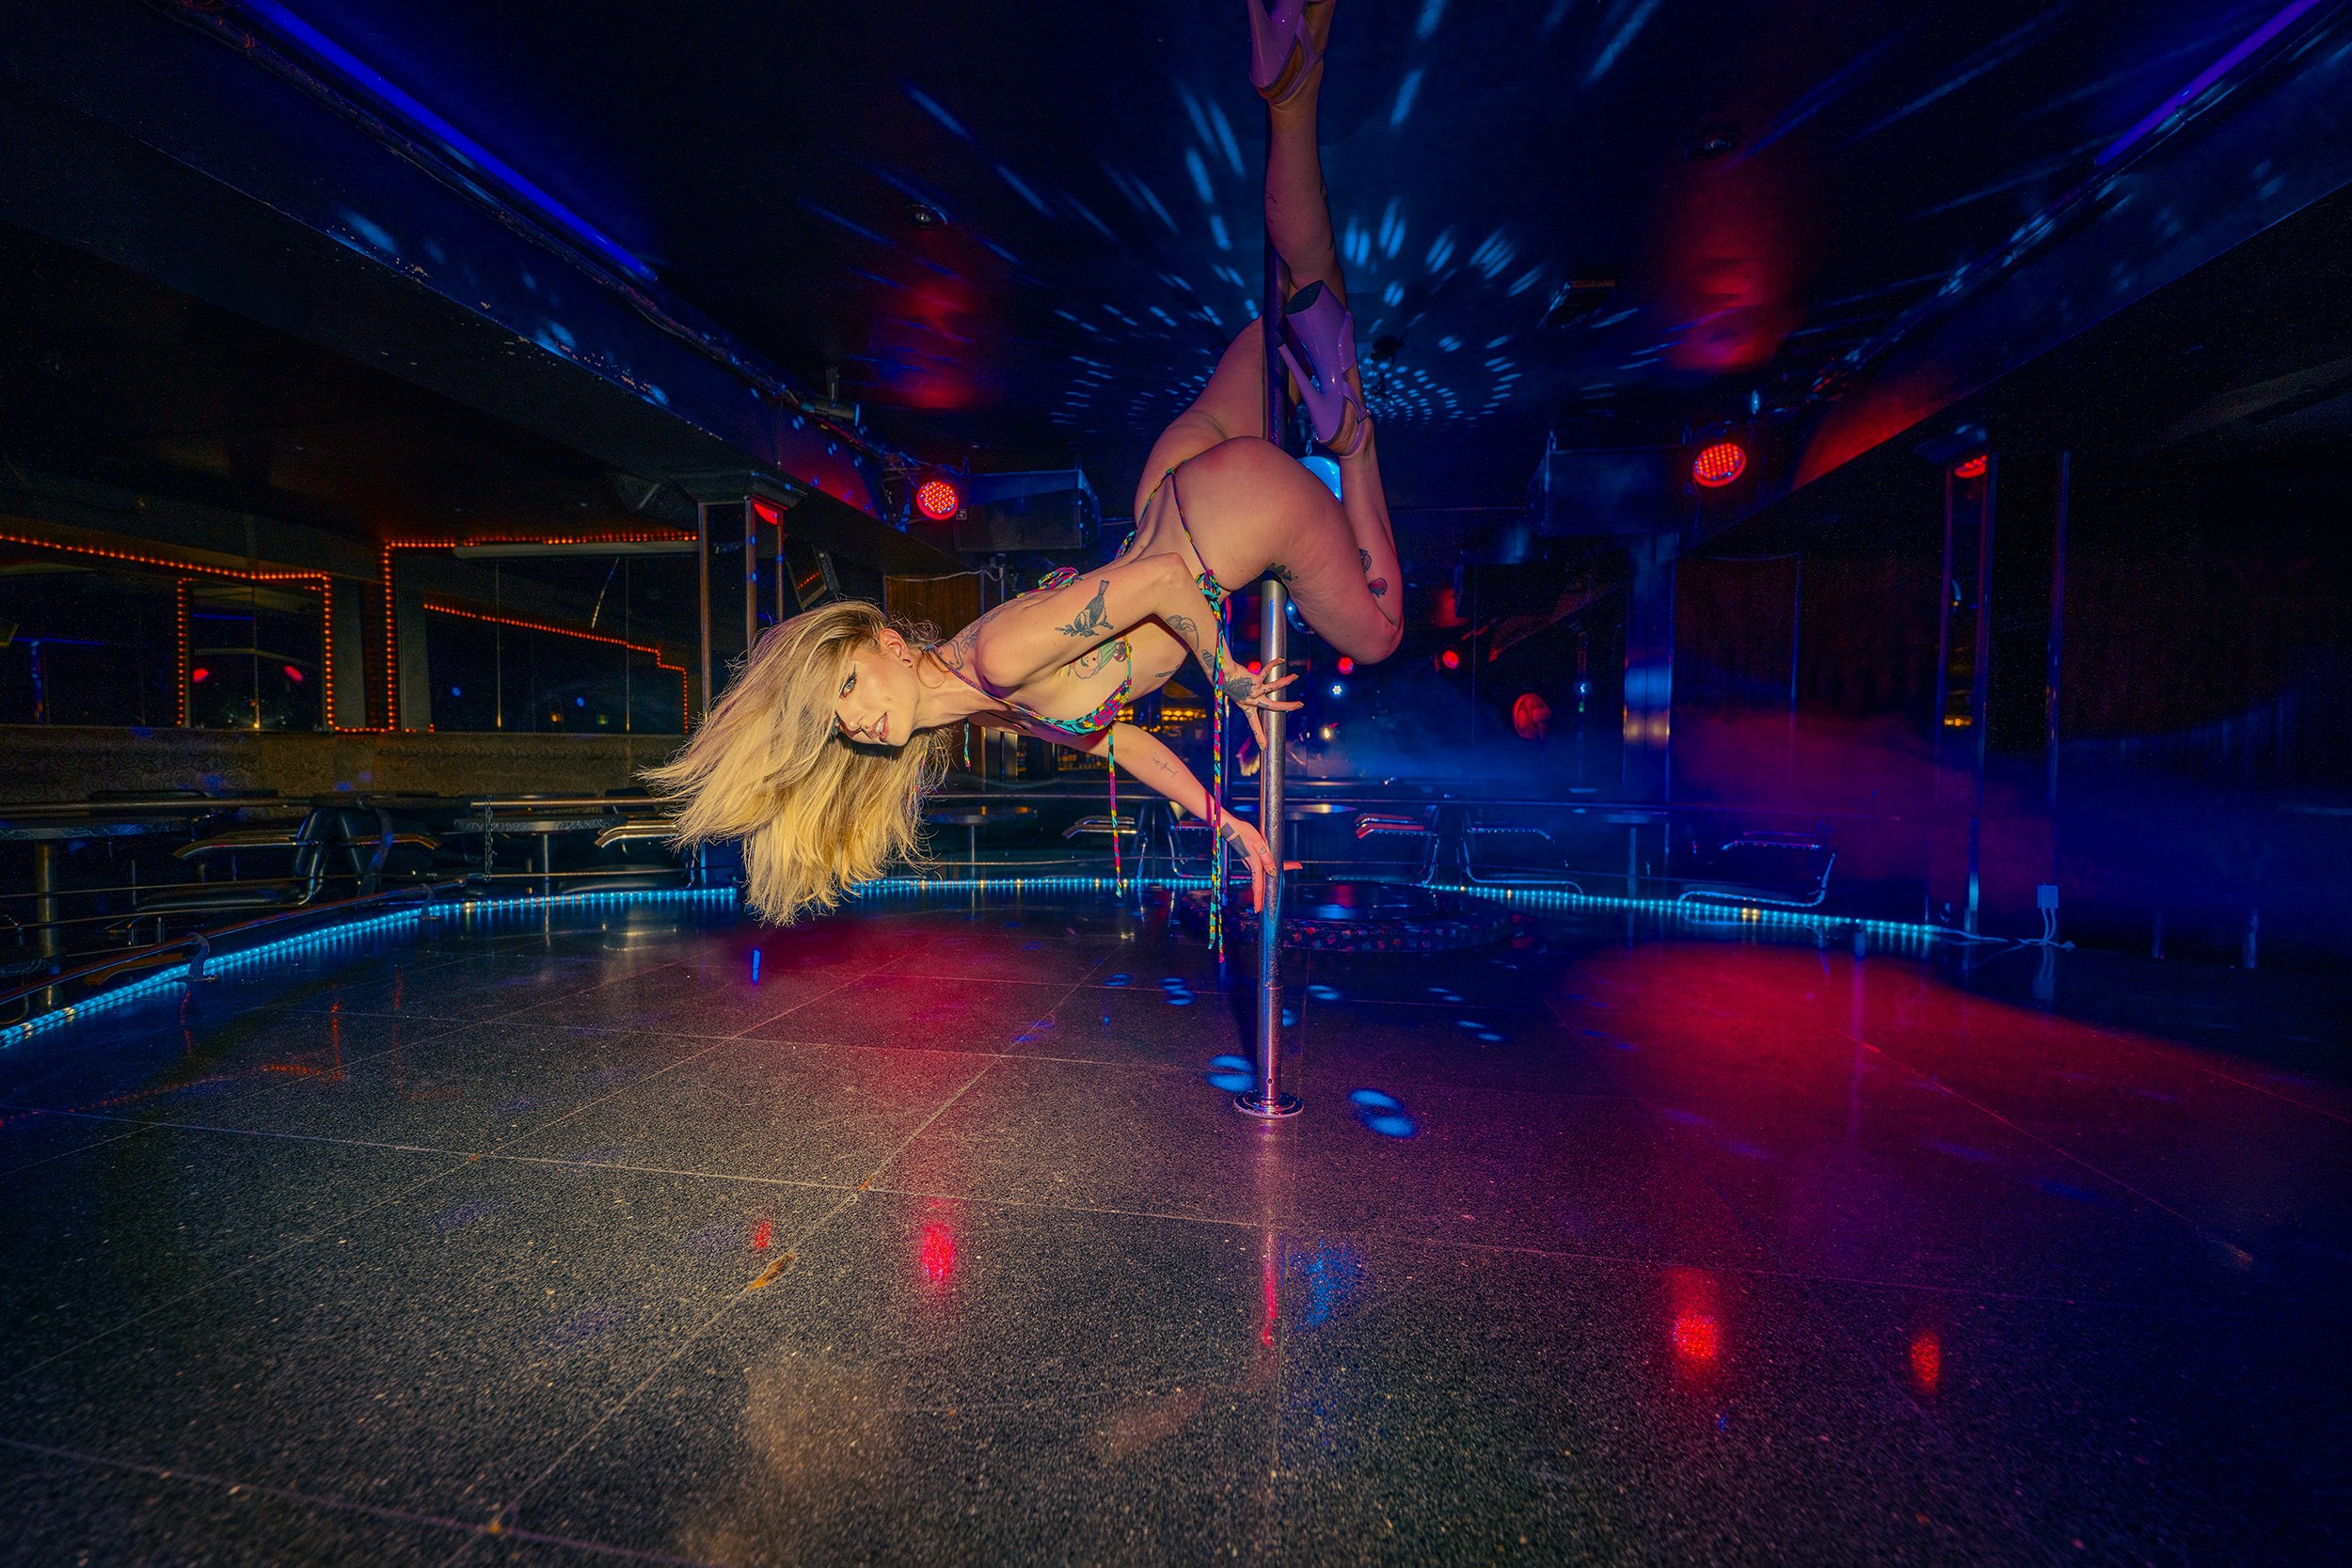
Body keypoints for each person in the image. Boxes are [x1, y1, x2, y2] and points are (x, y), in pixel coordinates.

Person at [651, 0, 1402, 922]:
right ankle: (1293, 94)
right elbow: (1119, 745)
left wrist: (1231, 676)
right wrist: (1224, 820)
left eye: (847, 684)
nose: (854, 717)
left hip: (1220, 525)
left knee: (1379, 630)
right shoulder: (980, 688)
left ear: (888, 639)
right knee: (1293, 307)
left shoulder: (996, 658)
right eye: (835, 717)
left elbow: (1169, 582)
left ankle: (1349, 435)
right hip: (1174, 489)